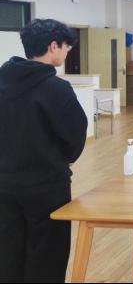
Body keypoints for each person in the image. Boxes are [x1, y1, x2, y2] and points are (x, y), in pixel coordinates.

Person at [0, 19, 88, 283]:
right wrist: (63, 158)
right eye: (66, 47)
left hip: (3, 186)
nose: (66, 52)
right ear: (53, 46)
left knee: (8, 253)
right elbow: (74, 137)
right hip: (46, 187)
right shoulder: (56, 88)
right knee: (47, 256)